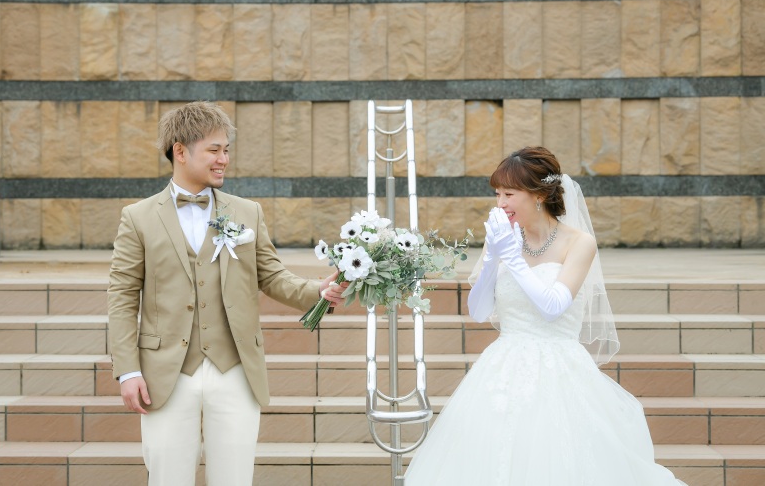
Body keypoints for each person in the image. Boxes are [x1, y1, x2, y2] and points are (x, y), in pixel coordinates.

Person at [404, 146, 686, 485]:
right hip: (503, 368)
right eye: (497, 194)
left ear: (538, 195)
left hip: (560, 368)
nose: (500, 203)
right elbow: (478, 312)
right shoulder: (506, 239)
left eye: (509, 193)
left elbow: (553, 307)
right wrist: (494, 257)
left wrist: (514, 259)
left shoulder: (579, 244)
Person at [107, 101, 345, 486]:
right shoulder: (138, 217)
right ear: (180, 152)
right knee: (168, 478)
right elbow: (121, 297)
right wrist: (128, 370)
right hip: (166, 371)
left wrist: (317, 291)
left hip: (235, 366)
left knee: (234, 478)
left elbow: (272, 276)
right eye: (214, 150)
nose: (224, 159)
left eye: (227, 150)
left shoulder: (247, 212)